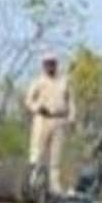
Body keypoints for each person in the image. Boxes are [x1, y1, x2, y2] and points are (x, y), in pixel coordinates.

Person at [23, 51, 76, 194]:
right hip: (42, 119)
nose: (50, 66)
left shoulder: (64, 81)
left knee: (56, 156)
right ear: (43, 65)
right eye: (47, 63)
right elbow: (28, 100)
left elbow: (70, 101)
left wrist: (71, 118)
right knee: (37, 153)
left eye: (52, 63)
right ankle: (33, 182)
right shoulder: (38, 82)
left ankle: (54, 186)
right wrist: (36, 107)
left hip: (59, 120)